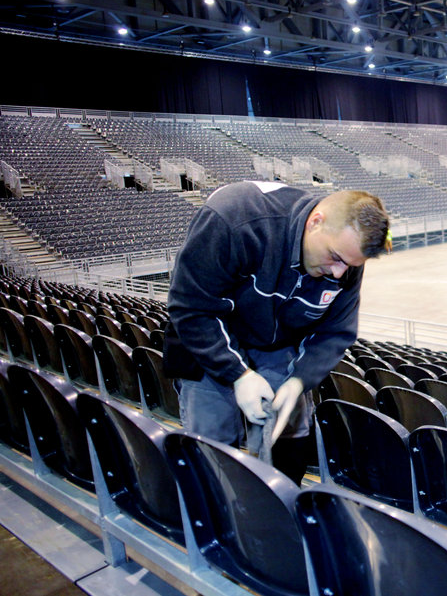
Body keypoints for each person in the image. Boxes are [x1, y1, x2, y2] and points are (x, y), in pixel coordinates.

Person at [163, 181, 390, 483]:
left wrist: (299, 381)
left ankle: (279, 512)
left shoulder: (345, 261)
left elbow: (335, 332)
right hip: (211, 338)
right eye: (335, 257)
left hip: (278, 344)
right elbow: (191, 307)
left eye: (348, 265)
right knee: (211, 445)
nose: (338, 274)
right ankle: (217, 517)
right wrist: (238, 374)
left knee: (289, 436)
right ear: (316, 222)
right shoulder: (234, 219)